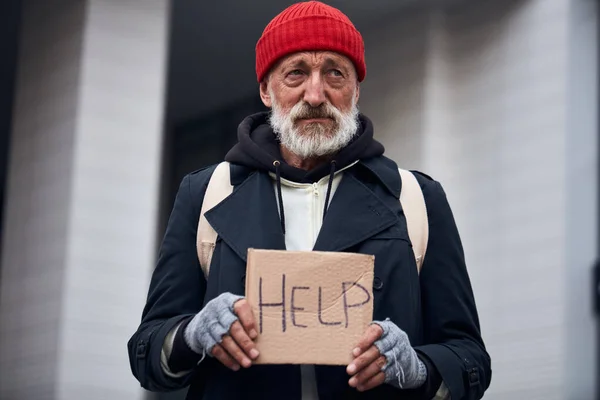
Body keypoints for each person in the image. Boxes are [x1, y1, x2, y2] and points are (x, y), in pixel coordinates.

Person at [127, 1, 491, 399]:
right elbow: (146, 353)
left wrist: (417, 367)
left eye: (335, 72)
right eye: (296, 72)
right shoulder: (207, 193)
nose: (315, 94)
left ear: (356, 90)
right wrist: (192, 334)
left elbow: (470, 359)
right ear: (266, 90)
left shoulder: (417, 199)